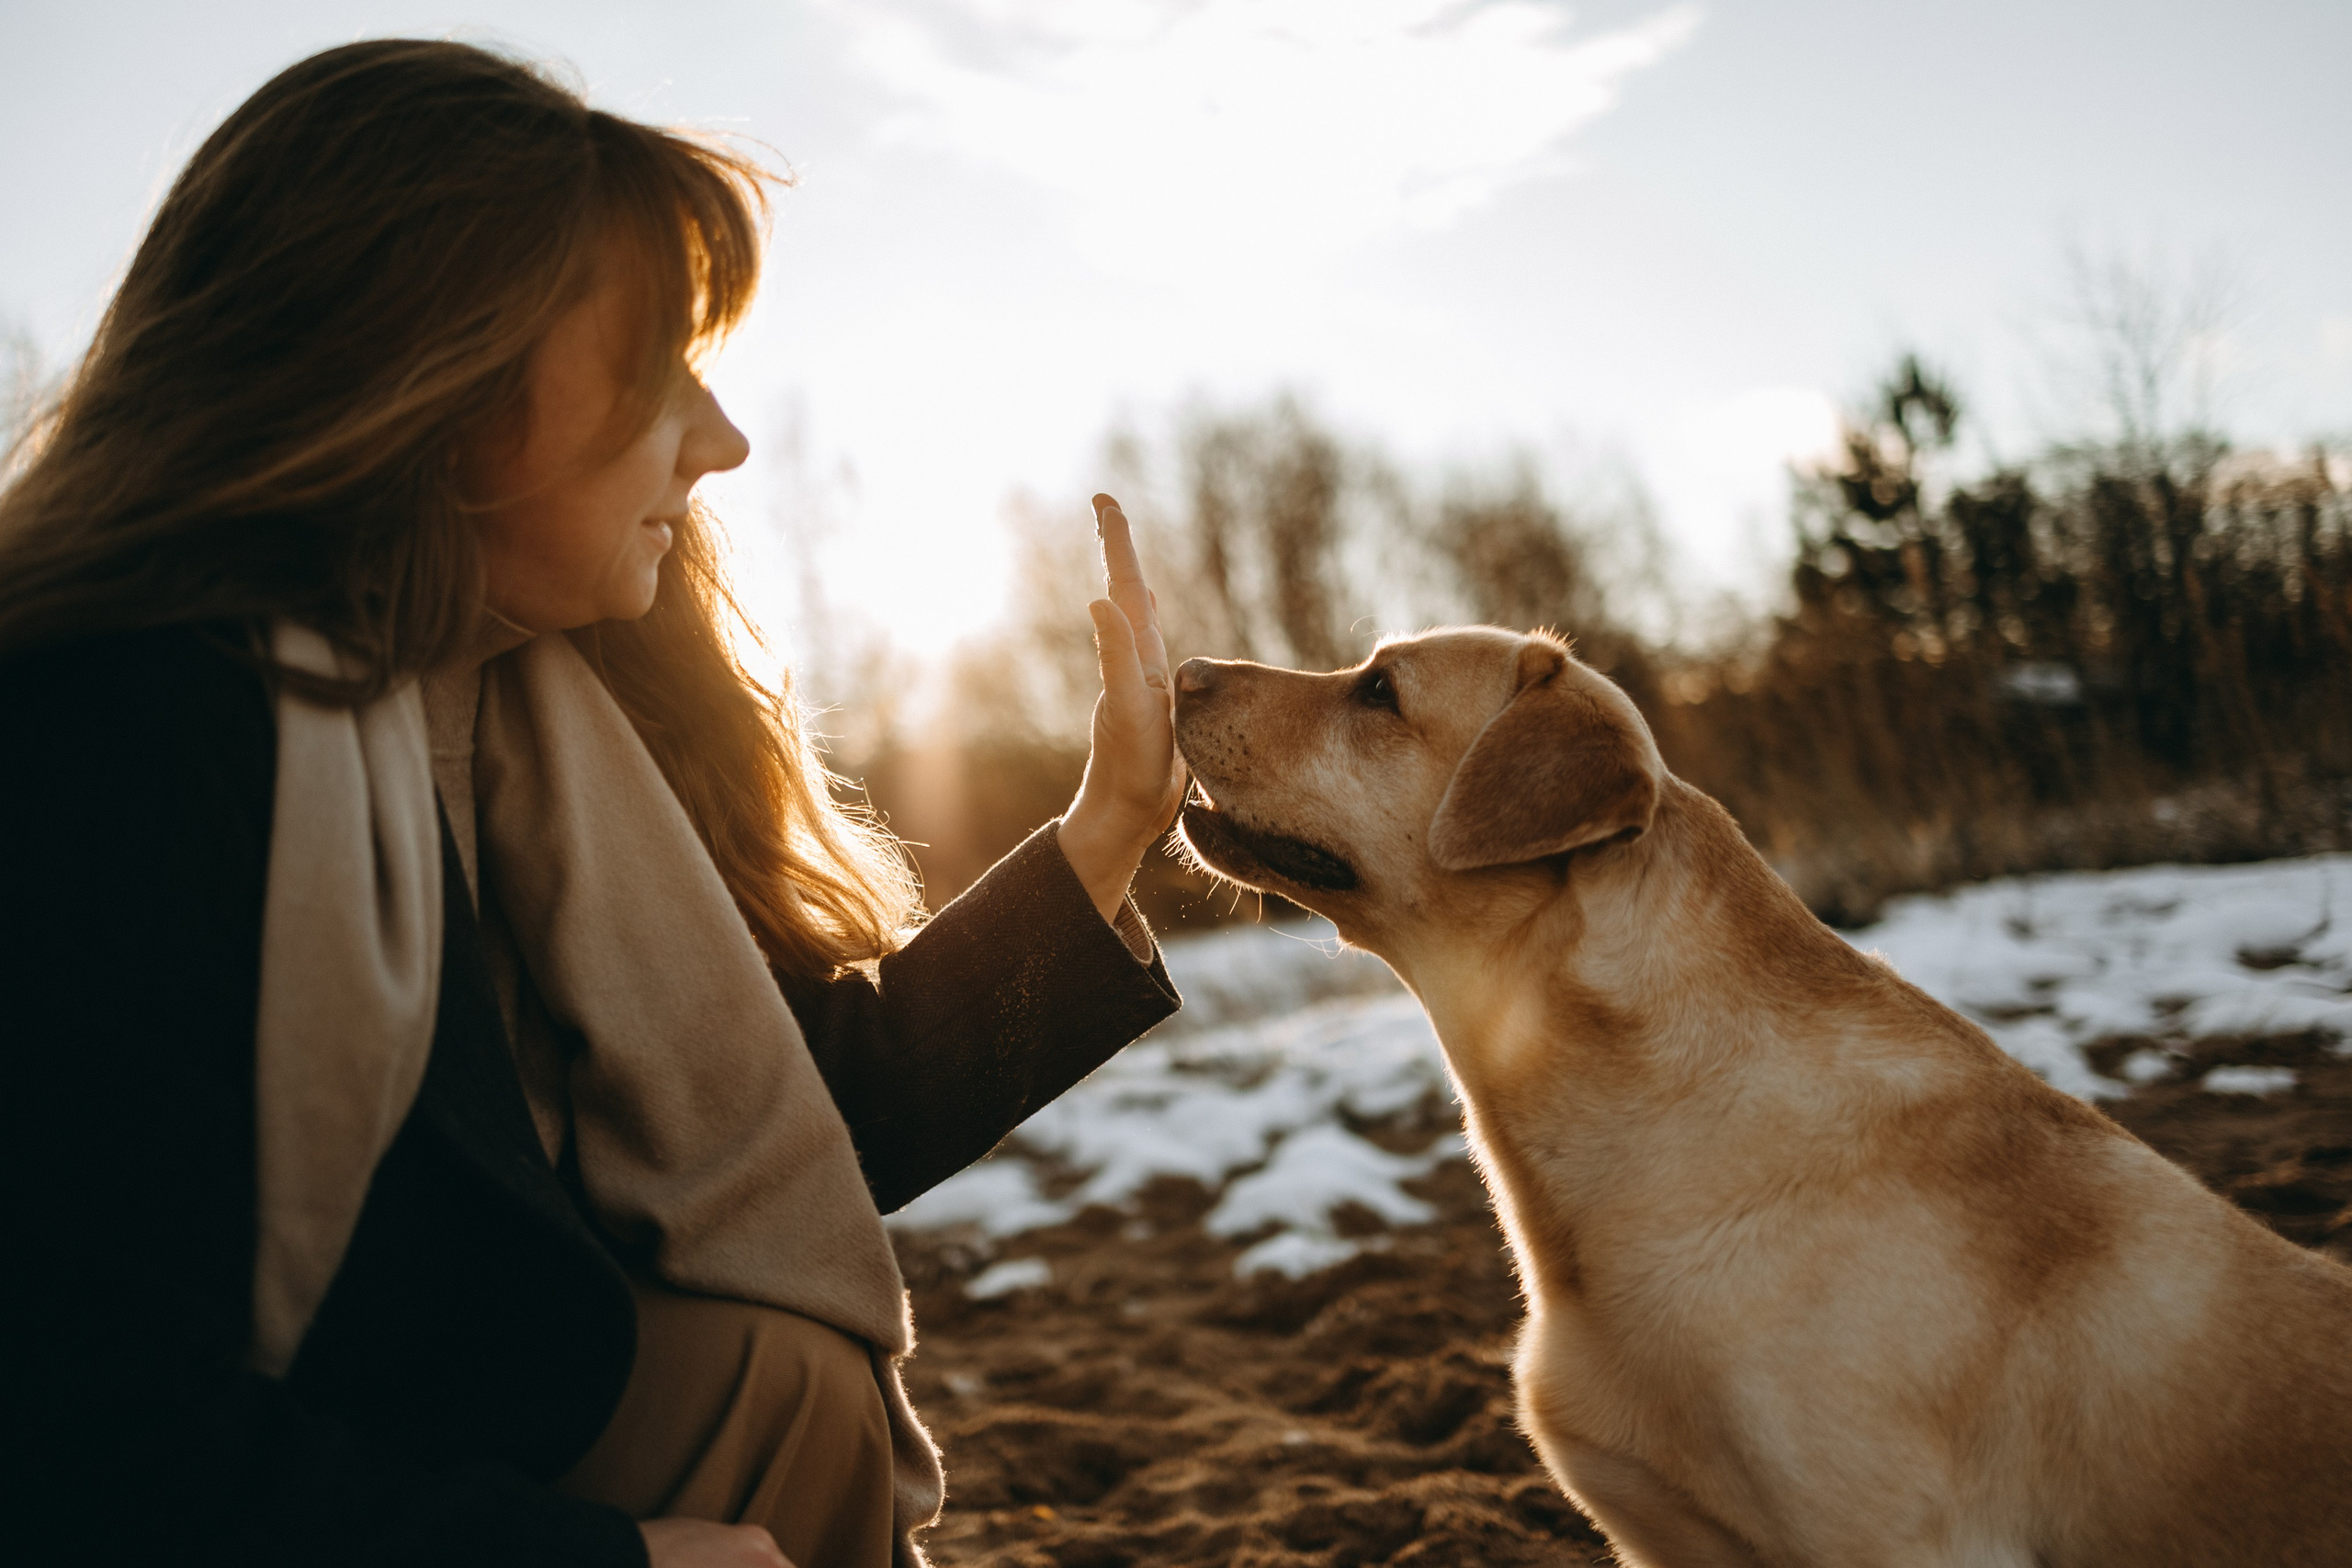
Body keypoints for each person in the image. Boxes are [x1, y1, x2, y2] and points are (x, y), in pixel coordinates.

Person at [0, 38, 1188, 1568]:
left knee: (789, 1388)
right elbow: (71, 1443)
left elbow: (771, 1135)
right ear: (431, 376)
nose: (724, 441)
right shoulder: (116, 737)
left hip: (417, 1393)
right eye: (654, 371)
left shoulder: (498, 705)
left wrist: (1107, 831)